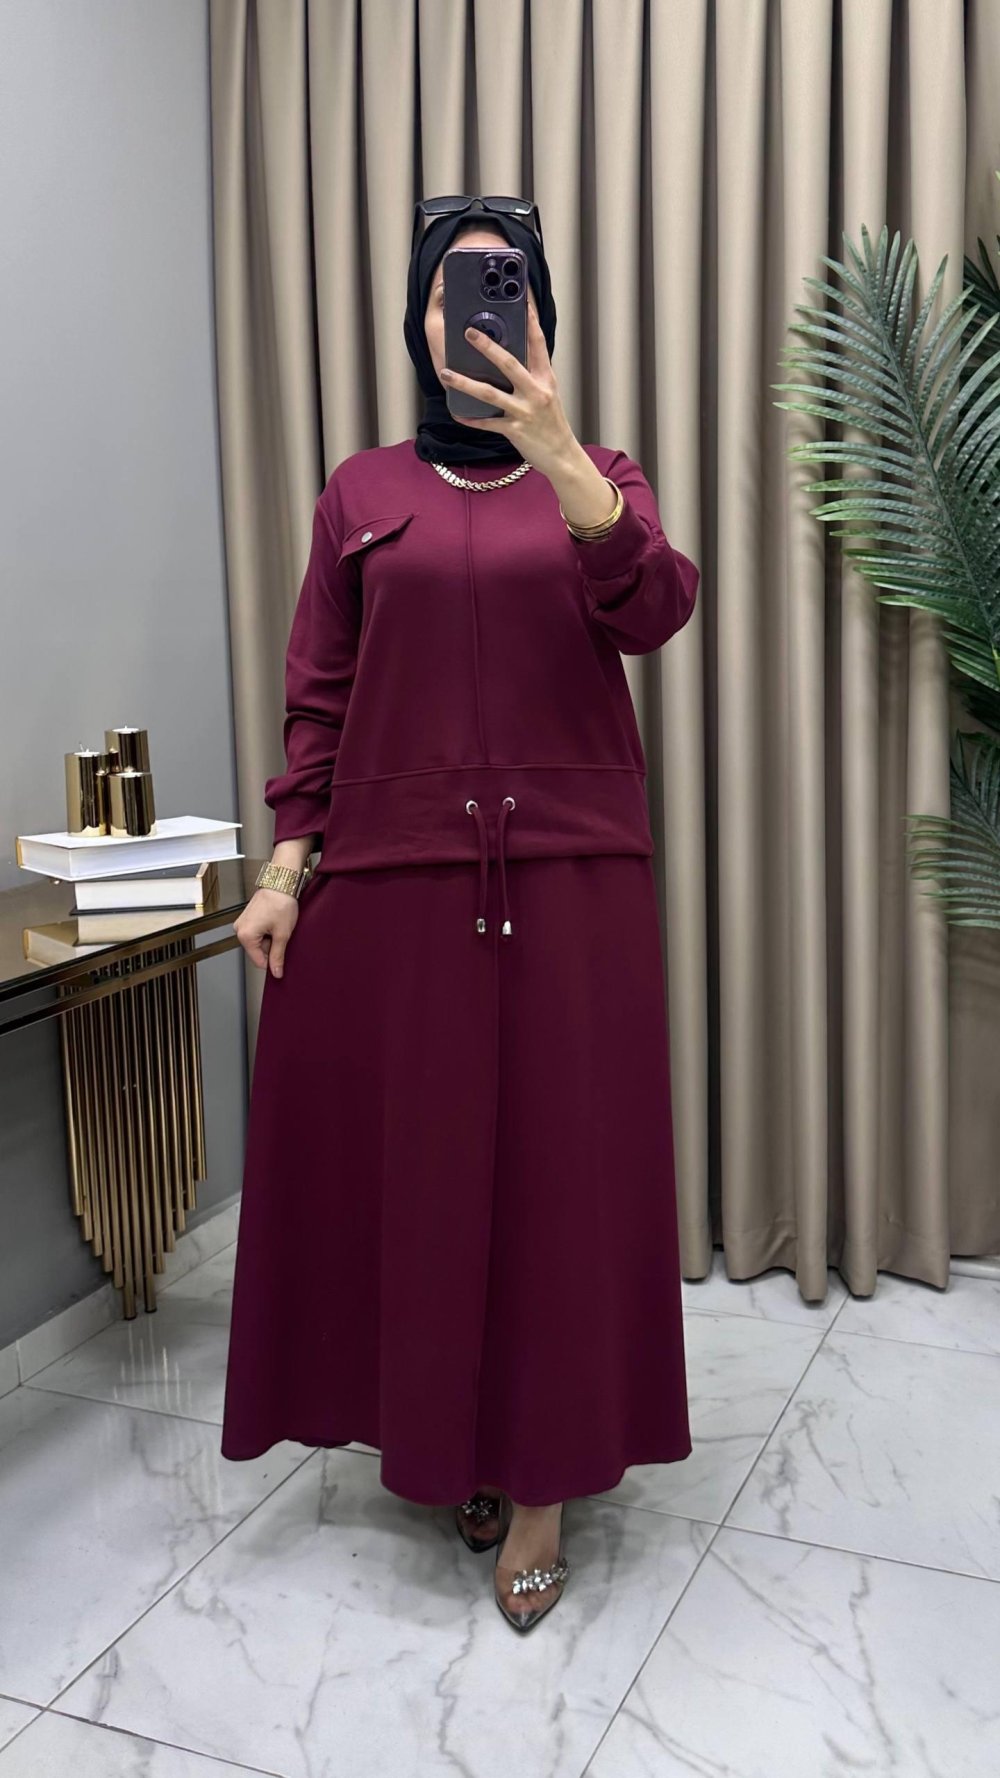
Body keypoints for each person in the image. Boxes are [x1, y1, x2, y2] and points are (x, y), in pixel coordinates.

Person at [221, 195, 698, 1633]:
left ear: (539, 316)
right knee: (429, 1179)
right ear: (418, 320)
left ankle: (543, 1477)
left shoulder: (599, 474)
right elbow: (320, 693)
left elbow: (655, 609)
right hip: (400, 878)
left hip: (570, 878)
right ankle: (453, 1441)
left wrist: (561, 455)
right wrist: (286, 869)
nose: (473, 313)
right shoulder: (360, 491)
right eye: (450, 290)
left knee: (557, 1179)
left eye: (502, 287)